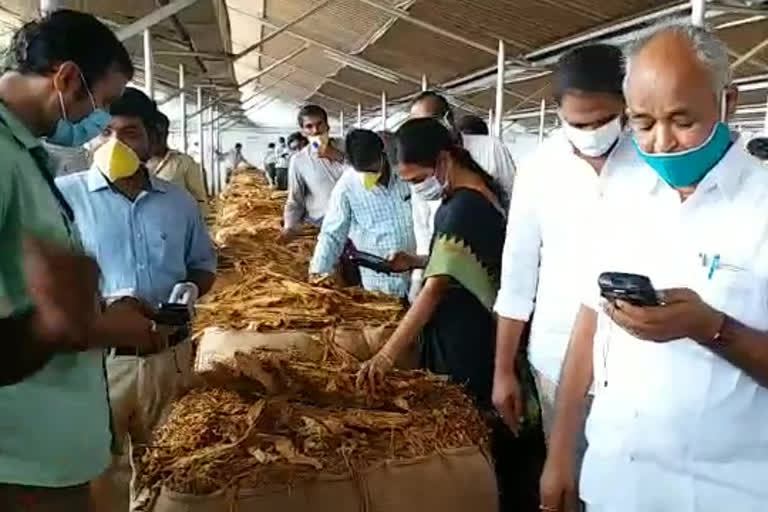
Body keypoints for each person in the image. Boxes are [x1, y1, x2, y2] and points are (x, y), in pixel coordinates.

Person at [540, 22, 768, 512]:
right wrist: (560, 453)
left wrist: (711, 328)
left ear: (728, 102)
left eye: (681, 120)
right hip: (615, 484)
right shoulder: (624, 197)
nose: (662, 142)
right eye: (643, 123)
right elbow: (588, 322)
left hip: (723, 495)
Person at [0, 10, 159, 512]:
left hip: (50, 452)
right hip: (20, 462)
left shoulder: (23, 154)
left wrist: (93, 311)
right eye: (103, 103)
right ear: (67, 78)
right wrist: (76, 322)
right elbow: (43, 316)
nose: (99, 124)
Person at [356, 118, 543, 511]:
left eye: (416, 178)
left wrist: (386, 355)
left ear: (443, 160)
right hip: (481, 328)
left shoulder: (462, 208)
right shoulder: (481, 193)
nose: (414, 188)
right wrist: (418, 259)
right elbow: (461, 259)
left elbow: (435, 288)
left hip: (469, 339)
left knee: (481, 437)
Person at [57, 87, 217, 511]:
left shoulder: (178, 202)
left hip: (168, 356)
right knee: (97, 471)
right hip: (98, 361)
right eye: (105, 132)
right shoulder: (64, 198)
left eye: (128, 133)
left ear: (152, 137)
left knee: (165, 466)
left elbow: (203, 264)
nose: (115, 145)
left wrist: (190, 289)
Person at [493, 43, 626, 470]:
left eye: (605, 120)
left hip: (638, 366)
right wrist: (503, 370)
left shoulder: (653, 158)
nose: (592, 132)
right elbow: (517, 276)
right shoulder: (539, 169)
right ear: (558, 112)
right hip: (555, 357)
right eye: (577, 122)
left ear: (628, 104)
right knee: (567, 474)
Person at [408, 91, 516, 302]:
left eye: (427, 123)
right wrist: (418, 276)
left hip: (487, 264)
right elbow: (422, 226)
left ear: (448, 120)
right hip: (441, 269)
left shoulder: (490, 148)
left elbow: (514, 205)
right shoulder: (417, 163)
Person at [309, 129, 415, 297]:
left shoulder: (408, 176)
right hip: (379, 283)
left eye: (374, 168)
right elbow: (332, 234)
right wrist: (318, 273)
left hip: (417, 275)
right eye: (365, 171)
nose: (372, 175)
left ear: (382, 152)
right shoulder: (347, 187)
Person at [282, 104, 345, 239]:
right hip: (322, 223)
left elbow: (366, 176)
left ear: (327, 126)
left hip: (354, 220)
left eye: (319, 124)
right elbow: (295, 199)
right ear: (303, 132)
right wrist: (290, 227)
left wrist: (338, 156)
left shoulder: (346, 147)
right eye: (309, 126)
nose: (316, 130)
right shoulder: (299, 160)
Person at [146, 111, 209, 216]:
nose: (156, 139)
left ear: (166, 134)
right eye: (151, 134)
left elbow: (200, 201)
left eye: (160, 134)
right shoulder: (135, 165)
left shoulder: (185, 163)